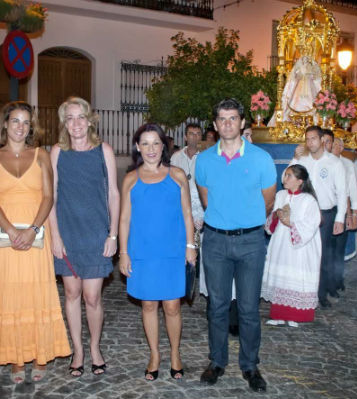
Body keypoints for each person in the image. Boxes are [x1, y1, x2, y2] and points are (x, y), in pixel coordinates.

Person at [0, 102, 71, 383]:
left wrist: (31, 229)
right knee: (9, 295)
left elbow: (48, 197)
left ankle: (40, 353)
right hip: (3, 238)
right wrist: (9, 230)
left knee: (37, 293)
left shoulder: (41, 155)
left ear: (31, 127)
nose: (20, 127)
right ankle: (16, 358)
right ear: (5, 124)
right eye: (15, 121)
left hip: (35, 236)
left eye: (25, 122)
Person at [195, 98, 276, 392]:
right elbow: (206, 200)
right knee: (216, 306)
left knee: (248, 308)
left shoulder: (261, 159)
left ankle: (250, 365)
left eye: (233, 118)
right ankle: (217, 361)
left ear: (242, 123)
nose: (227, 124)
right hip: (215, 241)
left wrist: (246, 222)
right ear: (215, 125)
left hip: (251, 241)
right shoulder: (203, 160)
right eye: (222, 119)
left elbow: (268, 201)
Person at [48, 97, 119, 377]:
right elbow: (50, 196)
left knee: (92, 297)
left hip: (95, 233)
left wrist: (113, 234)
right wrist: (55, 235)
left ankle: (95, 348)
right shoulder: (57, 152)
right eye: (70, 118)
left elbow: (113, 193)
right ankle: (77, 350)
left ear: (89, 120)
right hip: (67, 232)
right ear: (64, 123)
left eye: (80, 117)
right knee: (71, 293)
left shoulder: (104, 150)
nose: (75, 124)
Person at [119, 123, 196, 381]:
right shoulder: (130, 179)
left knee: (173, 306)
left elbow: (187, 213)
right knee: (149, 305)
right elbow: (124, 221)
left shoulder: (177, 175)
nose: (151, 149)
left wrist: (190, 246)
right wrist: (123, 253)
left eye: (156, 143)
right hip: (142, 252)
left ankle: (175, 353)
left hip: (172, 251)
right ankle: (154, 354)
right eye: (145, 143)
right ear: (138, 147)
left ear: (163, 146)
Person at [291, 126, 346, 307]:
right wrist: (295, 157)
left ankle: (320, 294)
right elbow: (290, 177)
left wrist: (340, 218)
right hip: (305, 214)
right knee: (303, 252)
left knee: (323, 255)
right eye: (307, 139)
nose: (310, 142)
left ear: (322, 140)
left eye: (313, 138)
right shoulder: (304, 160)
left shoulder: (334, 163)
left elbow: (342, 192)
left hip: (325, 214)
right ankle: (302, 291)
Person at [261, 164, 321, 326]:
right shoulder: (280, 195)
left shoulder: (309, 200)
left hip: (299, 247)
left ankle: (296, 316)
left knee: (296, 275)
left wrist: (291, 223)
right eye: (285, 175)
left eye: (289, 176)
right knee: (281, 274)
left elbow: (312, 224)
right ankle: (279, 314)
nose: (284, 179)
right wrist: (276, 216)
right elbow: (271, 221)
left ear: (300, 181)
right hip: (280, 243)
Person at [331, 138, 357, 291]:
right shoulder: (324, 161)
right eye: (332, 144)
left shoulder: (347, 164)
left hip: (344, 209)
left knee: (339, 247)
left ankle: (338, 279)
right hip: (328, 208)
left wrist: (354, 214)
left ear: (342, 148)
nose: (334, 147)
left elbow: (353, 189)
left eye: (337, 145)